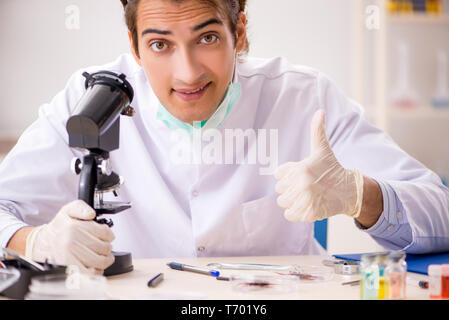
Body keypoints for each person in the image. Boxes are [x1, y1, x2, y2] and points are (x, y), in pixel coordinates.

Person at [1, 0, 448, 274]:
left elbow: (441, 211)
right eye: (160, 45)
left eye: (208, 37)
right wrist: (34, 242)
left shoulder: (301, 95)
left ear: (240, 31)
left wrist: (359, 194)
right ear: (134, 47)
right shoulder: (90, 97)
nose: (188, 72)